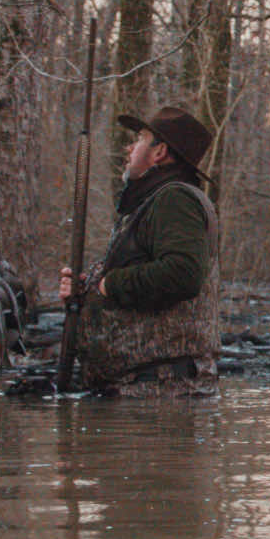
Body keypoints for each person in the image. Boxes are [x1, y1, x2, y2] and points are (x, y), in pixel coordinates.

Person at [56, 104, 220, 396]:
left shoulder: (175, 200)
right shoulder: (155, 202)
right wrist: (88, 287)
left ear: (159, 153)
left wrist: (109, 284)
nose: (129, 147)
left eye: (141, 139)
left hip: (160, 395)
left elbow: (184, 273)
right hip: (142, 391)